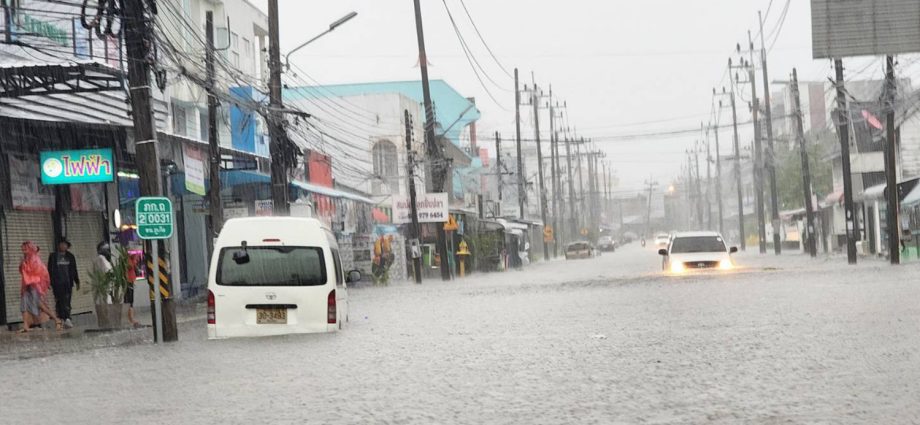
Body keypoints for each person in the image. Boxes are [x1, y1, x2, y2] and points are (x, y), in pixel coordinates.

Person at [20, 241, 61, 332]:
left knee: (40, 304)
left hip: (34, 286)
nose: (23, 250)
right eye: (22, 248)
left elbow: (38, 273)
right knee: (25, 305)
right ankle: (26, 325)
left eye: (25, 248)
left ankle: (56, 319)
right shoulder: (26, 259)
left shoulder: (35, 259)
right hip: (27, 286)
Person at [48, 238, 80, 329]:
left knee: (67, 300)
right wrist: (49, 281)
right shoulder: (53, 256)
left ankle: (67, 318)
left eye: (65, 244)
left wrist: (77, 281)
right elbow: (49, 269)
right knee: (59, 301)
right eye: (61, 244)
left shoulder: (70, 256)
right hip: (57, 283)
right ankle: (61, 318)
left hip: (67, 282)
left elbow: (74, 269)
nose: (63, 246)